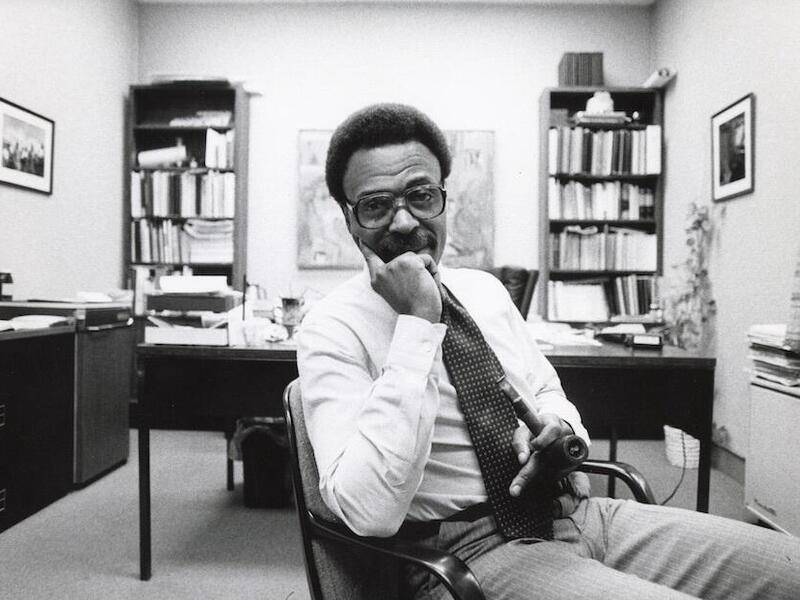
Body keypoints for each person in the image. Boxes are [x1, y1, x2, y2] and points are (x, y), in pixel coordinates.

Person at [296, 103, 800, 600]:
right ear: (349, 219)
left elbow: (544, 390)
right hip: (472, 552)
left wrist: (562, 432)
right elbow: (368, 511)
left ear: (443, 199)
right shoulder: (331, 328)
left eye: (421, 195)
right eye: (377, 205)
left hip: (581, 512)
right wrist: (416, 324)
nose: (404, 222)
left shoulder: (485, 291)